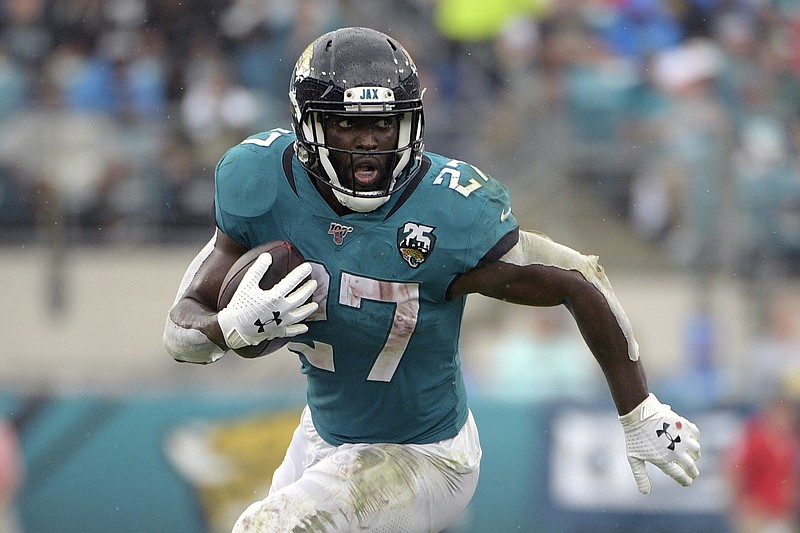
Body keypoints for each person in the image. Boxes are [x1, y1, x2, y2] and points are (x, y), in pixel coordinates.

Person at [163, 27, 701, 533]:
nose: (368, 142)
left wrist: (639, 409)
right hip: (325, 435)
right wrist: (227, 326)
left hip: (426, 454)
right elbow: (181, 333)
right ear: (308, 124)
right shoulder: (259, 180)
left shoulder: (451, 210)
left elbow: (575, 278)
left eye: (382, 122)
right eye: (347, 123)